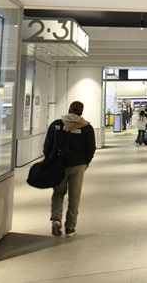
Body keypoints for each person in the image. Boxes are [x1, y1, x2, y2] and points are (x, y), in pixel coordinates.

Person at [45, 101, 96, 238]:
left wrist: (50, 161)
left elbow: (47, 146)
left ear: (69, 109)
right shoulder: (86, 128)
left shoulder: (56, 125)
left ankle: (56, 218)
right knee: (74, 196)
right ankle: (70, 228)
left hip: (58, 165)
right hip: (78, 165)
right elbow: (91, 149)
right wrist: (86, 163)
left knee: (58, 193)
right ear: (81, 111)